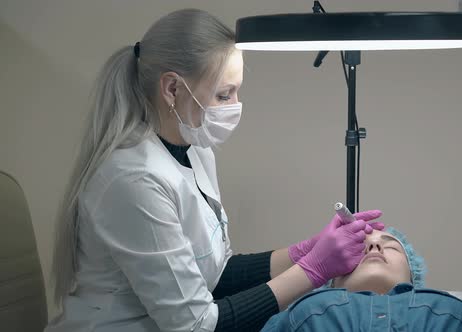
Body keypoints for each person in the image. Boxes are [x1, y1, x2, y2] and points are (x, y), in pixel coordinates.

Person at [45, 9, 385, 332]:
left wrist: (306, 251)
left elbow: (214, 274)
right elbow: (195, 325)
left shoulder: (195, 150)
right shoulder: (132, 180)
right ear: (172, 88)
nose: (235, 106)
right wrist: (314, 269)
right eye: (224, 94)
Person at [262, 227, 462, 331]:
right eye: (360, 248)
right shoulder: (302, 313)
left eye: (391, 247)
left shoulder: (452, 312)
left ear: (413, 273)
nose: (374, 247)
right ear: (331, 278)